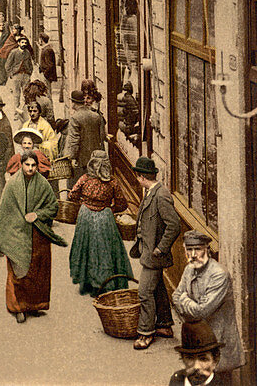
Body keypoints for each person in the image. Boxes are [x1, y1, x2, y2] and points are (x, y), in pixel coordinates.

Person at [0, 151, 66, 323]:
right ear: (21, 165)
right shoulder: (12, 185)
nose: (30, 168)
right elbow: (4, 213)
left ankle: (34, 305)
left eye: (33, 165)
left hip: (38, 234)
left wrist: (38, 214)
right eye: (27, 165)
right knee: (18, 270)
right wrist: (6, 235)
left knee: (38, 271)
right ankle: (17, 307)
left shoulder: (43, 184)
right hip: (17, 233)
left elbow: (53, 207)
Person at [171, 230, 244, 382]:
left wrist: (184, 300)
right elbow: (175, 296)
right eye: (189, 249)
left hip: (218, 342)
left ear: (207, 250)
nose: (193, 254)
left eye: (198, 249)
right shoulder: (189, 269)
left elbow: (201, 311)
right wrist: (185, 301)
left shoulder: (219, 275)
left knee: (218, 381)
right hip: (197, 341)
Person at [130, 155, 181, 350]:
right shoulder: (152, 192)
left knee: (144, 293)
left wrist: (161, 247)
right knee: (158, 288)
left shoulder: (161, 195)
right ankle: (165, 326)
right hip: (148, 252)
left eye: (137, 176)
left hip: (154, 255)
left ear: (141, 177)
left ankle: (145, 333)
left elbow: (174, 225)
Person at [67, 149, 133, 296]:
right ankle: (105, 283)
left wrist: (84, 202)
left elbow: (72, 195)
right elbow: (122, 204)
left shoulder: (84, 179)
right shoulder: (112, 182)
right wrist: (110, 208)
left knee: (86, 248)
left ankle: (87, 283)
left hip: (85, 217)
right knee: (105, 251)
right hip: (105, 218)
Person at [64, 88, 106, 186]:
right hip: (94, 159)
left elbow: (74, 141)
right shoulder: (96, 116)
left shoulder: (75, 118)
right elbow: (102, 136)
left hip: (80, 160)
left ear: (74, 103)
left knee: (76, 186)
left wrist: (72, 158)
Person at [168, 321, 226, 386]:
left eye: (203, 359)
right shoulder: (176, 380)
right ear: (183, 359)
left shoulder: (221, 384)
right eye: (190, 358)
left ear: (215, 361)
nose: (196, 367)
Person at [6, 36, 34, 117]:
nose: (24, 44)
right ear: (18, 43)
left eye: (25, 43)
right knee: (16, 95)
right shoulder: (13, 52)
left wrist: (29, 74)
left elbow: (30, 64)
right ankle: (16, 113)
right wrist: (11, 74)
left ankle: (27, 112)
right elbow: (7, 65)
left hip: (26, 76)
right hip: (16, 76)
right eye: (22, 42)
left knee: (27, 95)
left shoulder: (27, 52)